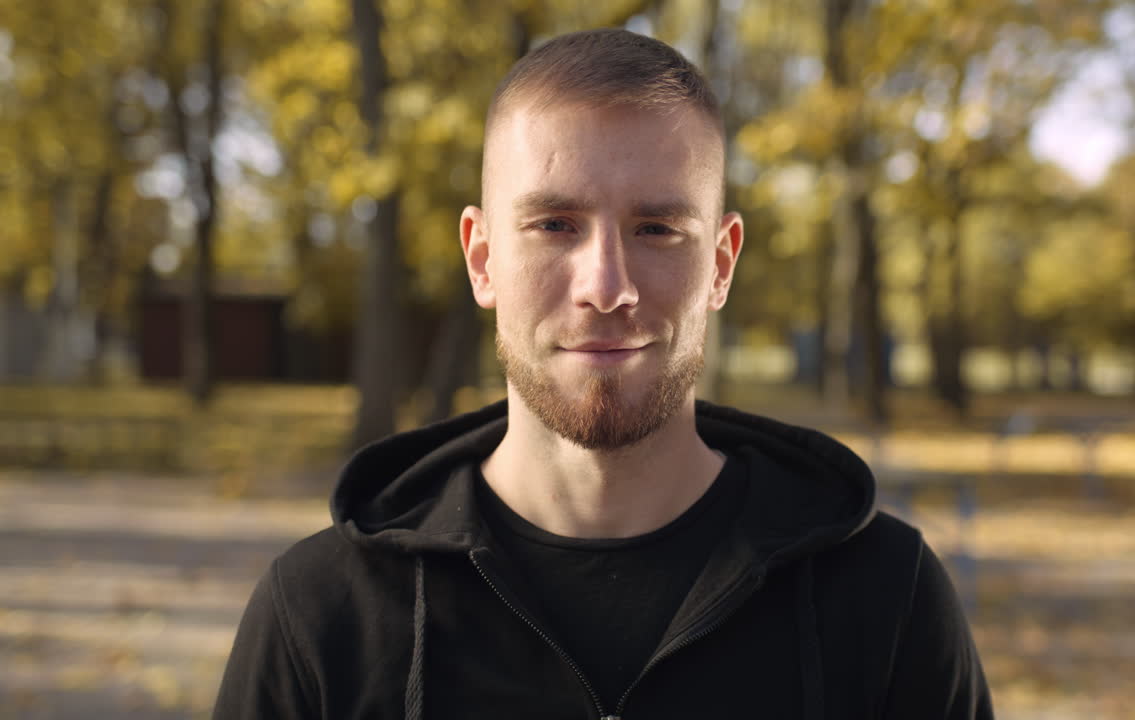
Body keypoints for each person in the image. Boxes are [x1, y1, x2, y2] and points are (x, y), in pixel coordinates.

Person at [214, 28, 993, 720]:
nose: (606, 285)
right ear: (482, 259)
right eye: (554, 225)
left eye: (657, 228)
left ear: (721, 264)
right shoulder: (321, 614)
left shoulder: (886, 600)